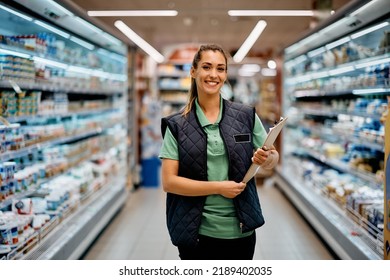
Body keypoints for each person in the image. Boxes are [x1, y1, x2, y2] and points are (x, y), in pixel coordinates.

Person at [159, 44, 279, 260]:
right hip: (196, 233)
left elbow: (272, 157)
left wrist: (267, 158)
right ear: (193, 71)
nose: (213, 74)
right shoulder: (177, 125)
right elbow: (169, 182)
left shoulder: (245, 116)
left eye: (220, 68)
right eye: (206, 67)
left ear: (225, 74)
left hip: (241, 231)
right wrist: (218, 188)